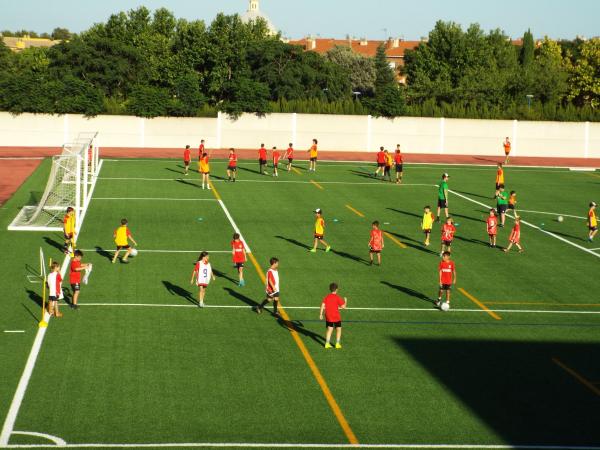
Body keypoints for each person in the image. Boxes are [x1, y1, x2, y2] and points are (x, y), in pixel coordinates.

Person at [319, 282, 347, 349]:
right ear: (337, 289)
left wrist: (320, 314)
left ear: (330, 289)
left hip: (328, 316)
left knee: (329, 329)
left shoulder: (327, 297)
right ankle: (337, 344)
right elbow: (343, 307)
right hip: (336, 316)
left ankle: (327, 343)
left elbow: (322, 305)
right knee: (338, 329)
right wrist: (345, 301)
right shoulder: (337, 297)